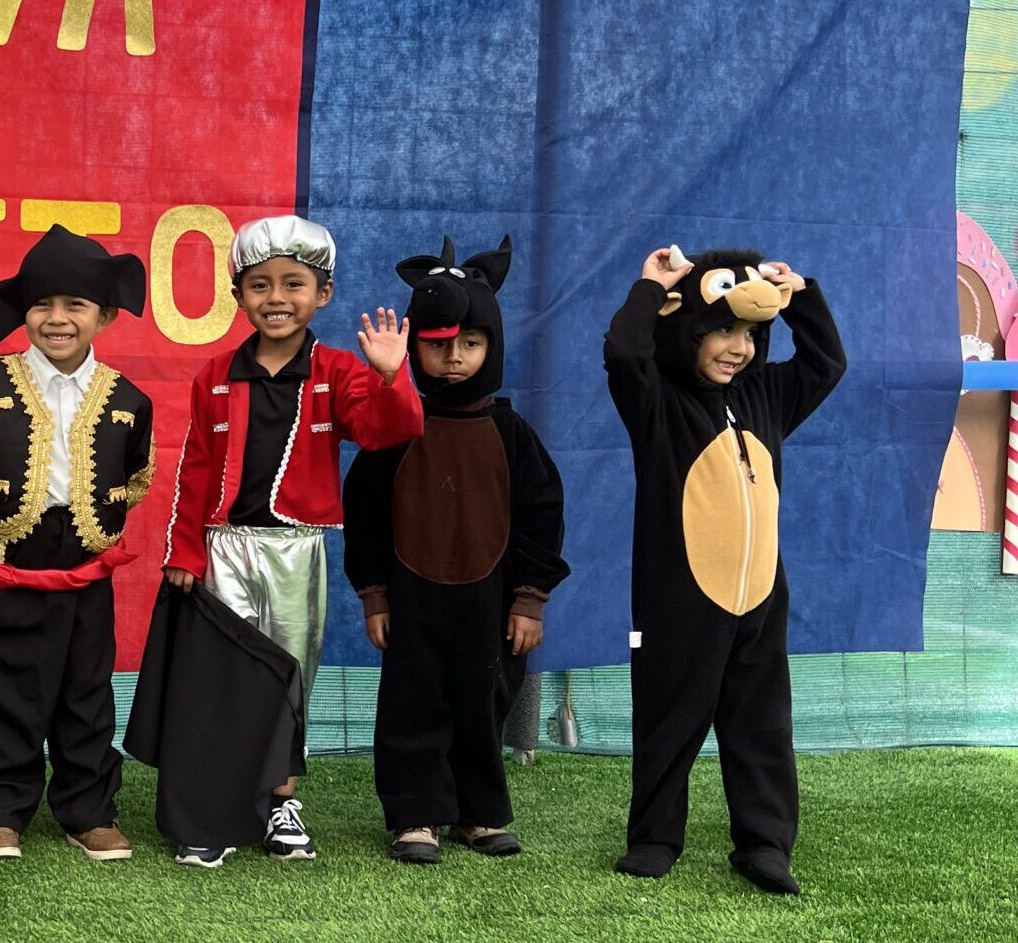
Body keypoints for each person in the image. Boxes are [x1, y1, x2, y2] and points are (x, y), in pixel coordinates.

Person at [160, 214, 422, 867]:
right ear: (238, 295)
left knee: (290, 676)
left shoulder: (337, 371)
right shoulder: (213, 377)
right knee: (225, 678)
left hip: (298, 549)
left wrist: (392, 376)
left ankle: (280, 800)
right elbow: (195, 469)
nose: (276, 298)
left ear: (322, 294)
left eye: (293, 284)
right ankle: (218, 806)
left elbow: (392, 431)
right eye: (259, 285)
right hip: (224, 548)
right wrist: (185, 552)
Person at [603, 245, 845, 894]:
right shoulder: (657, 403)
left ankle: (765, 845)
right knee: (669, 719)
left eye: (748, 333)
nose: (736, 346)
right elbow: (626, 355)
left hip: (761, 598)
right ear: (687, 330)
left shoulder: (767, 393)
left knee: (762, 726)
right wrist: (650, 288)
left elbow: (828, 362)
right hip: (678, 602)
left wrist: (803, 294)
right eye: (720, 330)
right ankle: (655, 837)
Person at [342, 235, 568, 863]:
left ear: (491, 347)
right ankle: (416, 817)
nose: (454, 359)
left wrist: (530, 599)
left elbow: (542, 515)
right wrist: (374, 594)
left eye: (470, 345)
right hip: (411, 599)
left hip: (492, 600)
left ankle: (480, 814)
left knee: (483, 699)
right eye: (438, 346)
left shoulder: (510, 433)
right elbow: (363, 511)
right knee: (413, 702)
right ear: (415, 347)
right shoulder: (397, 426)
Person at [0, 225, 152, 861]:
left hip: (90, 565)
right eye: (42, 306)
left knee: (88, 690)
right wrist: (11, 506)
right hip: (19, 564)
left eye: (75, 306)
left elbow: (136, 475)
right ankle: (1, 810)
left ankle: (88, 810)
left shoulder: (129, 398)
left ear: (105, 315)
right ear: (24, 313)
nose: (57, 319)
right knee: (14, 687)